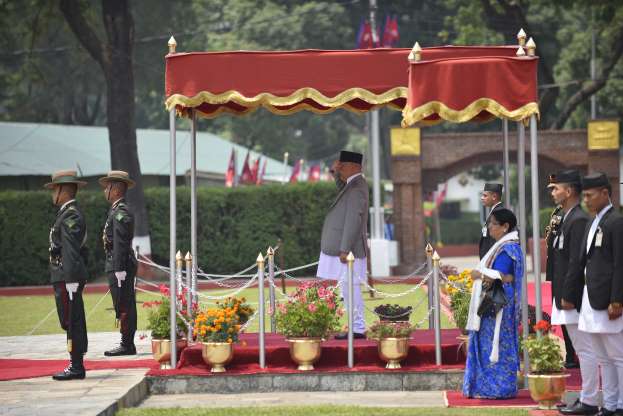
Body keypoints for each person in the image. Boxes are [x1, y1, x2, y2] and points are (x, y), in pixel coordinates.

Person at [544, 170, 599, 415]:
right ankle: (589, 398)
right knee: (584, 348)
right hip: (565, 295)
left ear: (569, 191)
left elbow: (576, 263)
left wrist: (567, 295)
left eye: (556, 188)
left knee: (585, 350)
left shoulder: (577, 219)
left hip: (573, 297)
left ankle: (589, 401)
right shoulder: (567, 217)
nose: (553, 193)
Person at [574, 173, 623, 416]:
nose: (586, 200)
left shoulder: (616, 221)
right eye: (584, 195)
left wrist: (617, 299)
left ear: (605, 192)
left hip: (609, 300)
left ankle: (621, 404)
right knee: (603, 357)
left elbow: (619, 264)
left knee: (618, 356)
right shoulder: (595, 221)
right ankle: (611, 405)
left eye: (590, 195)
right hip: (591, 296)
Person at [463, 208, 523, 399]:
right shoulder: (504, 246)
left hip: (497, 305)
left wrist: (478, 274)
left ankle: (496, 388)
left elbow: (503, 277)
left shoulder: (507, 248)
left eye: (493, 224)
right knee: (493, 343)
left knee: (495, 344)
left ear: (505, 227)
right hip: (499, 303)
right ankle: (492, 386)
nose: (490, 227)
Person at [317, 151, 369, 339]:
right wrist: (334, 171)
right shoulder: (353, 184)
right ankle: (355, 327)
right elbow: (341, 186)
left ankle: (357, 328)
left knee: (351, 288)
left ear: (354, 167)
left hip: (348, 250)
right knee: (345, 288)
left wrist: (345, 248)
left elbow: (353, 220)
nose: (341, 170)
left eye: (343, 167)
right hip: (342, 247)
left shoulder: (357, 187)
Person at [45, 170, 89, 380]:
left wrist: (71, 280)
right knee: (70, 319)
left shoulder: (71, 215)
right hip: (63, 275)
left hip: (66, 277)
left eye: (54, 188)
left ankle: (76, 366)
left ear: (64, 190)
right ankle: (76, 362)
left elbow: (71, 252)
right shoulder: (66, 213)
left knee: (72, 320)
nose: (52, 193)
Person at [100, 170, 139, 356]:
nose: (105, 191)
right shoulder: (116, 210)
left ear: (115, 189)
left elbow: (120, 243)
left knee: (124, 304)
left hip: (120, 265)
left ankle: (127, 344)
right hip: (117, 264)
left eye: (107, 187)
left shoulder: (121, 212)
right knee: (122, 303)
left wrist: (119, 268)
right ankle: (126, 342)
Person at [478, 183, 505, 259]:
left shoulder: (499, 213)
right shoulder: (494, 211)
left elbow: (496, 239)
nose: (482, 198)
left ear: (494, 197)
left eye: (485, 196)